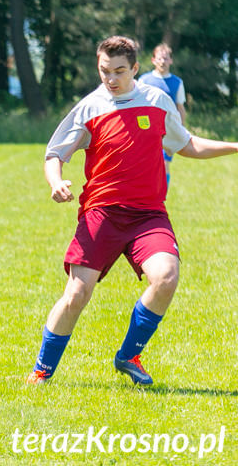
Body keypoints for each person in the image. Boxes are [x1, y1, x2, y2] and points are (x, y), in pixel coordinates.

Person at [26, 35, 238, 386]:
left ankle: (128, 355)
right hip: (102, 214)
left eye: (119, 72)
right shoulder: (89, 108)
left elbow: (187, 144)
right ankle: (41, 371)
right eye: (104, 71)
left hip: (148, 215)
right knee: (77, 294)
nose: (111, 79)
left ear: (135, 69)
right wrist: (55, 182)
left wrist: (235, 145)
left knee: (166, 277)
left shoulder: (157, 100)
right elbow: (55, 153)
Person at [138, 43, 187, 187]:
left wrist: (181, 129)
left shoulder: (177, 82)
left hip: (167, 130)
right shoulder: (144, 81)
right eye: (159, 58)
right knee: (145, 163)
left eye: (166, 59)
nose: (162, 62)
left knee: (164, 163)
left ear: (171, 60)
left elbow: (180, 108)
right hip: (146, 129)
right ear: (153, 60)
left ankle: (161, 194)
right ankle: (145, 192)